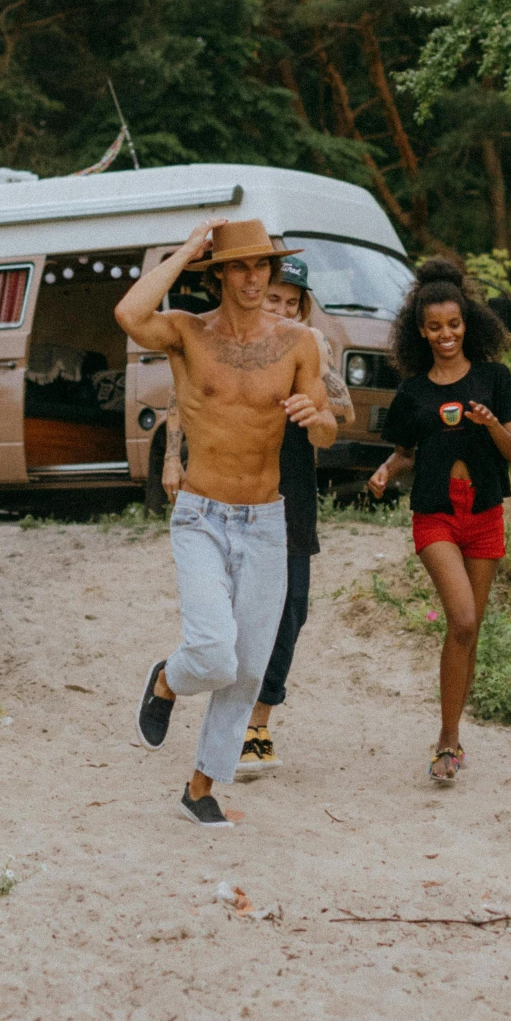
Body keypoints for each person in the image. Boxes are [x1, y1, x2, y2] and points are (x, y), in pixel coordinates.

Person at [115, 218, 336, 826]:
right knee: (213, 652)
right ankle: (167, 680)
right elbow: (130, 314)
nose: (252, 276)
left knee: (247, 668)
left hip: (268, 519)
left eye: (261, 266)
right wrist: (188, 248)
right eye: (239, 266)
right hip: (202, 515)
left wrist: (315, 415)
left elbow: (327, 428)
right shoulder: (186, 332)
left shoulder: (298, 342)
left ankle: (201, 788)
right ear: (217, 275)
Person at [365, 257, 511, 785]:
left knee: (468, 633)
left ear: (468, 323)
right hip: (435, 513)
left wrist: (491, 423)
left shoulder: (496, 379)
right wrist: (385, 470)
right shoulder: (413, 392)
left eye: (453, 324)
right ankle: (446, 740)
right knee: (461, 619)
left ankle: (453, 734)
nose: (445, 335)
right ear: (420, 331)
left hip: (484, 512)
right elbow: (405, 451)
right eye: (434, 327)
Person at [237, 257, 353, 776]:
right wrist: (173, 459)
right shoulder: (232, 342)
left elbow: (343, 410)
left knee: (293, 609)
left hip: (294, 492)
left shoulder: (311, 347)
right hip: (237, 489)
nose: (282, 309)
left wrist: (315, 399)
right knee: (238, 611)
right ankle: (230, 713)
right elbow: (185, 398)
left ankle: (257, 725)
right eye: (274, 299)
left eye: (292, 302)